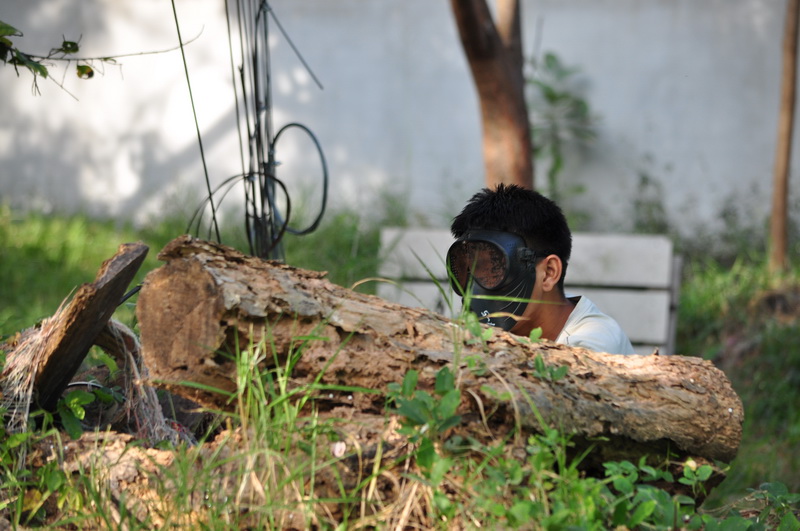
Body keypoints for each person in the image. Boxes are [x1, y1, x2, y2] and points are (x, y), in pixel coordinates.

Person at [447, 184, 635, 355]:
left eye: (494, 267)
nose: (475, 287)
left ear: (548, 273)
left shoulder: (594, 344)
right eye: (466, 270)